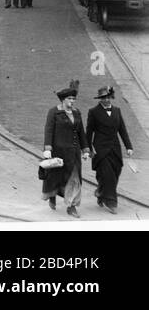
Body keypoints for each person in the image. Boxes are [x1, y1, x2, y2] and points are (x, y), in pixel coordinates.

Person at [42, 80, 90, 217]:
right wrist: (47, 148)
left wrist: (85, 149)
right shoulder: (54, 112)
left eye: (74, 99)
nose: (72, 101)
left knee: (75, 179)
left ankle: (72, 206)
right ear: (63, 100)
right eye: (69, 99)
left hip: (74, 153)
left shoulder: (77, 113)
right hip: (58, 152)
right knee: (55, 178)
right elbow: (48, 130)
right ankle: (52, 196)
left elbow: (81, 132)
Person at [86, 86, 134, 214]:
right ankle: (111, 201)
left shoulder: (117, 111)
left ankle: (101, 192)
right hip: (100, 149)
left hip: (115, 148)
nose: (106, 100)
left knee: (116, 172)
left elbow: (122, 130)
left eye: (108, 97)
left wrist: (129, 146)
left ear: (111, 97)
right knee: (108, 175)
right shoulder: (93, 112)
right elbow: (89, 132)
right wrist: (88, 148)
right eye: (103, 98)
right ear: (100, 99)